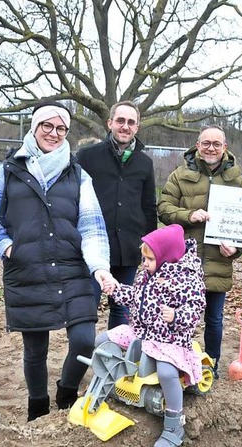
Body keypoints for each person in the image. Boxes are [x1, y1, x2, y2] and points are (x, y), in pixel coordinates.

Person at [0, 101, 113, 421]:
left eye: (61, 128)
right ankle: (37, 405)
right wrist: (8, 248)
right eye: (47, 126)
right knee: (35, 349)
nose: (54, 133)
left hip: (71, 267)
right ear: (34, 128)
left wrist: (99, 267)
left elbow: (92, 226)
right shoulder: (9, 170)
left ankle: (66, 392)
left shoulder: (78, 174)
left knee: (83, 340)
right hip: (28, 268)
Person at [98, 224, 206, 447]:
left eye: (148, 259)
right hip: (140, 332)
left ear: (166, 257)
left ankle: (174, 424)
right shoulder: (147, 274)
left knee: (167, 373)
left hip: (169, 338)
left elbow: (196, 308)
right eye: (143, 258)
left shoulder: (186, 278)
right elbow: (135, 297)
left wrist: (177, 316)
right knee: (102, 341)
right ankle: (105, 386)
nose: (144, 263)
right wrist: (115, 289)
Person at [157, 124, 242, 377]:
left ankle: (212, 363)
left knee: (215, 319)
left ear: (225, 148)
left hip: (218, 261)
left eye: (216, 144)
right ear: (197, 145)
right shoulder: (179, 174)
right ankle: (175, 361)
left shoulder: (238, 181)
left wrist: (236, 249)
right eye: (205, 143)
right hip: (184, 261)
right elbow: (163, 208)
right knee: (177, 314)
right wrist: (188, 215)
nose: (211, 148)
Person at [77, 100, 157, 330]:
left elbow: (149, 206)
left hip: (128, 249)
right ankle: (82, 352)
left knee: (121, 307)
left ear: (137, 127)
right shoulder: (87, 157)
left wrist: (150, 247)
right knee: (87, 305)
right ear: (109, 123)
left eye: (131, 122)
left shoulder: (144, 163)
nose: (125, 126)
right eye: (120, 120)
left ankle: (113, 357)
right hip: (92, 247)